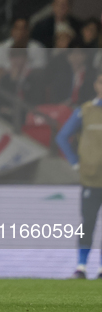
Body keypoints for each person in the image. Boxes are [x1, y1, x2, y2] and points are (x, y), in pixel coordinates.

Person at [55, 73, 102, 279]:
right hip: (91, 179)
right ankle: (81, 266)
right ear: (96, 85)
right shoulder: (85, 111)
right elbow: (63, 136)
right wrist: (75, 163)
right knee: (88, 221)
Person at [0, 16, 46, 83]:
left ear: (28, 31)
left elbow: (40, 74)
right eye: (17, 29)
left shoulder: (37, 48)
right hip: (8, 87)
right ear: (12, 30)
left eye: (23, 29)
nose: (20, 32)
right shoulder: (1, 48)